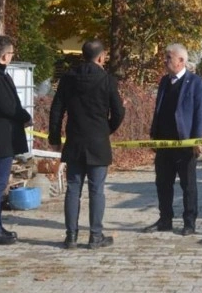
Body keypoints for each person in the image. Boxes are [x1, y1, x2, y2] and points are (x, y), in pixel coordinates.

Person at [49, 40, 125, 249]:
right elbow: (119, 112)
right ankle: (95, 236)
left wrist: (54, 138)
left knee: (73, 188)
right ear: (101, 57)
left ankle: (71, 236)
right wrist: (106, 129)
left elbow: (56, 109)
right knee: (96, 190)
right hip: (98, 141)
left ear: (83, 55)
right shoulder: (107, 80)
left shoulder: (68, 78)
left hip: (74, 140)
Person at [144, 44, 202, 236]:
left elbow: (200, 113)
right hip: (164, 143)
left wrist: (197, 140)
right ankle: (165, 220)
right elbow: (158, 109)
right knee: (162, 183)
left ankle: (189, 222)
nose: (165, 60)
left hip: (185, 143)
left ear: (181, 61)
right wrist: (154, 134)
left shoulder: (195, 83)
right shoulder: (164, 82)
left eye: (168, 57)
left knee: (188, 185)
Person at [0, 35, 31, 245]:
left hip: (5, 135)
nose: (12, 56)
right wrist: (24, 116)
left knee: (0, 182)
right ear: (4, 55)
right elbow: (7, 106)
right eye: (11, 53)